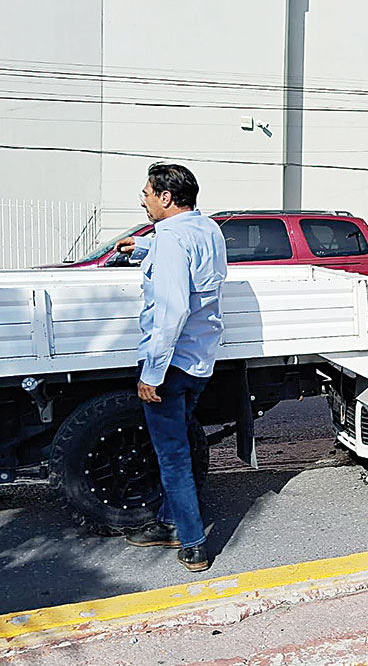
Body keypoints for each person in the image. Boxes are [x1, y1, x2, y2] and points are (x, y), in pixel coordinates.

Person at [114, 163, 227, 572]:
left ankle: (193, 543)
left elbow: (171, 310)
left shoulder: (167, 238)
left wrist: (152, 373)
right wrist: (142, 250)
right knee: (177, 446)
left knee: (173, 455)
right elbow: (193, 270)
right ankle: (167, 522)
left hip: (172, 365)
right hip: (199, 361)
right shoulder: (208, 229)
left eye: (146, 193)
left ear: (165, 197)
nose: (142, 200)